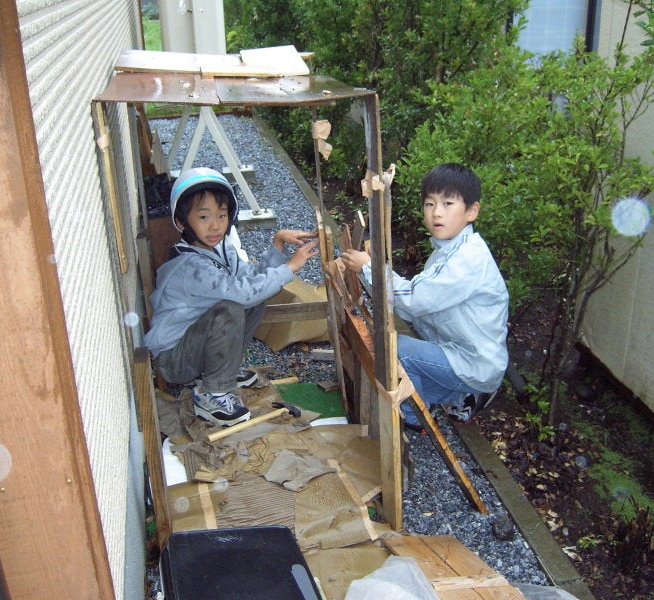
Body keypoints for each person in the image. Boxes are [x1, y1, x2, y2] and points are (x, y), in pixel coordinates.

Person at [144, 167, 319, 426]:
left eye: (222, 215)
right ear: (181, 222)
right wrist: (290, 267)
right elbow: (242, 293)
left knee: (256, 298)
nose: (215, 225)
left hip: (193, 348)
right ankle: (211, 393)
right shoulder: (191, 266)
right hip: (175, 360)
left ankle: (223, 370)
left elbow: (251, 280)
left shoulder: (221, 249)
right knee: (232, 308)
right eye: (203, 217)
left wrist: (278, 243)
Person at [341, 163, 508, 430]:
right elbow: (413, 306)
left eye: (448, 203)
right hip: (459, 350)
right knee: (398, 365)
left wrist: (369, 268)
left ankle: (415, 418)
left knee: (395, 351)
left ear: (472, 211)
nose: (436, 212)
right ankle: (461, 395)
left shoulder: (467, 259)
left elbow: (415, 300)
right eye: (430, 204)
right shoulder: (449, 249)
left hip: (474, 362)